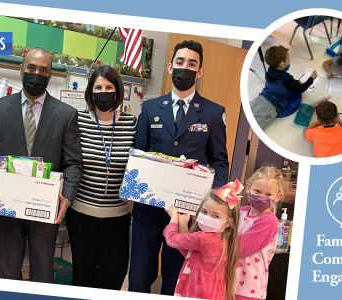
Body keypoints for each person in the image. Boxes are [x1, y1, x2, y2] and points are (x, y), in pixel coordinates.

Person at [0, 47, 83, 283]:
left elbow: (73, 163)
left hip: (45, 207)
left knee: (43, 272)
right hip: (4, 206)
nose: (37, 74)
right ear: (21, 69)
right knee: (6, 270)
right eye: (31, 68)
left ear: (50, 75)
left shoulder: (66, 114)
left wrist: (67, 196)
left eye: (43, 70)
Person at [130, 40, 229, 296]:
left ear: (200, 71)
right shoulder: (150, 107)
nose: (185, 68)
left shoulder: (213, 113)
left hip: (188, 214)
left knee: (177, 278)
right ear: (171, 66)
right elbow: (138, 155)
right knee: (140, 275)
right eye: (181, 62)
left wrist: (212, 206)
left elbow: (219, 161)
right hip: (148, 207)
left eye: (192, 64)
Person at [66, 65, 136, 290]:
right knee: (83, 276)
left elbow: (141, 163)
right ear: (90, 91)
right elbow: (68, 162)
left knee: (114, 275)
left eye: (109, 87)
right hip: (81, 214)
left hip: (118, 216)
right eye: (98, 87)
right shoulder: (76, 121)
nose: (103, 92)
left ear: (118, 91)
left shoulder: (131, 123)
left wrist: (134, 188)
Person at [163, 182, 241, 300]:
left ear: (229, 223)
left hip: (196, 292)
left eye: (215, 216)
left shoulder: (203, 239)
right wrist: (183, 224)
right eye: (204, 212)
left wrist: (173, 219)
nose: (207, 217)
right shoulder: (224, 239)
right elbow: (191, 255)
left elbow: (172, 239)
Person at [235, 166, 284, 300]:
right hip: (226, 282)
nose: (262, 197)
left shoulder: (268, 221)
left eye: (268, 194)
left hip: (248, 288)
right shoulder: (239, 212)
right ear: (248, 187)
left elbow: (240, 248)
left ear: (278, 196)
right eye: (257, 191)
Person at [249, 45, 317, 130]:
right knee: (253, 127)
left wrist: (295, 83)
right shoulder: (286, 78)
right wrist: (311, 79)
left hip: (261, 97)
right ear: (282, 64)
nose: (289, 62)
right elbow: (301, 89)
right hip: (272, 105)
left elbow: (282, 83)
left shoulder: (270, 70)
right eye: (288, 60)